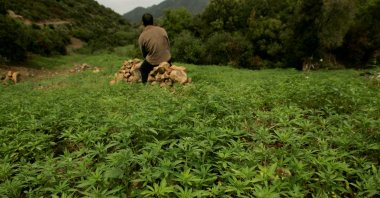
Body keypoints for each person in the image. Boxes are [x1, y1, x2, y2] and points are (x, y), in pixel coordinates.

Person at [138, 13, 171, 83]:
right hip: (167, 59)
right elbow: (168, 45)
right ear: (153, 21)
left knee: (143, 69)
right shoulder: (162, 30)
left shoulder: (142, 36)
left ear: (143, 23)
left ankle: (144, 86)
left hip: (153, 61)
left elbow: (144, 53)